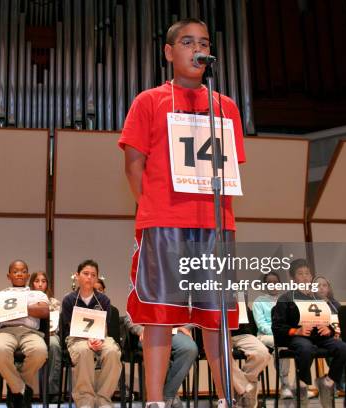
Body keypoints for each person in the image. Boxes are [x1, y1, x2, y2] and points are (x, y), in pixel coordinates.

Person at [119, 17, 246, 408]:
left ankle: (226, 398)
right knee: (159, 316)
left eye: (203, 42)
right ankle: (155, 401)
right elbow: (133, 164)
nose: (197, 49)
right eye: (187, 42)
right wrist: (153, 209)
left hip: (214, 224)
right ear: (169, 52)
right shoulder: (149, 101)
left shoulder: (225, 106)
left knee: (215, 318)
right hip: (163, 224)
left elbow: (230, 166)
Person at [272, 259, 346, 408]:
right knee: (306, 349)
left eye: (307, 273)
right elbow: (277, 327)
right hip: (298, 338)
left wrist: (329, 330)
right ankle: (301, 386)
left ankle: (327, 382)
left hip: (320, 338)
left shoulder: (318, 298)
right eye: (300, 274)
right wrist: (296, 330)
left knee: (345, 349)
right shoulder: (286, 298)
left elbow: (330, 323)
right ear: (293, 278)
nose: (305, 277)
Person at [61, 260, 122, 408]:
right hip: (77, 337)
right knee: (84, 350)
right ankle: (85, 400)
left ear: (97, 278)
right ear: (77, 276)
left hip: (101, 336)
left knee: (113, 351)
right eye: (85, 273)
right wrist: (88, 340)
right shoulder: (69, 300)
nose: (89, 277)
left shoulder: (103, 300)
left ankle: (103, 399)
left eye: (93, 275)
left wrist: (97, 339)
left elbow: (105, 326)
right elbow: (70, 327)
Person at [0, 260, 48, 408]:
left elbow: (43, 311)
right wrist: (30, 308)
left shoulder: (37, 294)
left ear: (28, 275)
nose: (19, 274)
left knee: (40, 351)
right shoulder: (0, 294)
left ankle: (14, 389)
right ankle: (22, 389)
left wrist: (17, 308)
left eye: (23, 271)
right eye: (15, 271)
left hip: (30, 332)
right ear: (9, 275)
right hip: (6, 331)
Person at [252, 272, 293, 399]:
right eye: (269, 282)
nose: (273, 285)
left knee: (304, 344)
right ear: (265, 285)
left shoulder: (286, 300)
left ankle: (301, 385)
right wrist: (279, 332)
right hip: (266, 335)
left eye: (275, 282)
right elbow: (261, 325)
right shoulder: (259, 301)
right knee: (281, 344)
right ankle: (285, 385)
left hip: (284, 334)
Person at [230, 303, 271, 408]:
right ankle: (246, 388)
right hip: (216, 333)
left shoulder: (238, 291)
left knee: (262, 353)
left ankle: (243, 387)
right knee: (220, 356)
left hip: (241, 333)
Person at [28, 270, 62, 397]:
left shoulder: (54, 302)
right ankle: (23, 391)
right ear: (32, 284)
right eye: (37, 281)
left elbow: (55, 324)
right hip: (31, 334)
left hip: (50, 334)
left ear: (47, 284)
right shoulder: (26, 300)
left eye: (43, 281)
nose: (40, 284)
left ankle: (52, 391)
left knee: (54, 345)